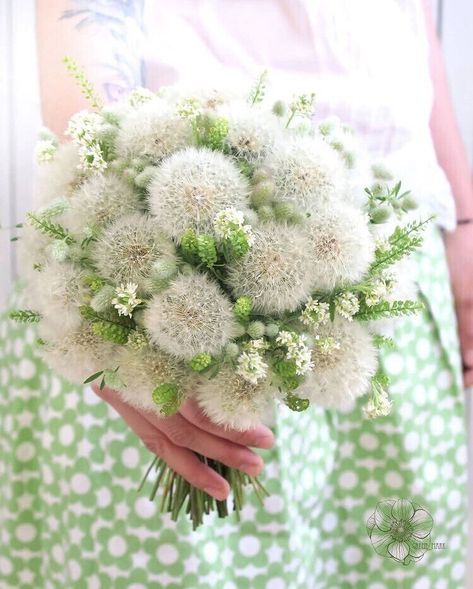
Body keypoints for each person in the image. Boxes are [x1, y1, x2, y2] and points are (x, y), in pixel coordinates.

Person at [1, 1, 471, 587]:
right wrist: (110, 248)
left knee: (393, 562)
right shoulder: (137, 268)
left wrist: (464, 227)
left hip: (385, 275)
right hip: (160, 287)